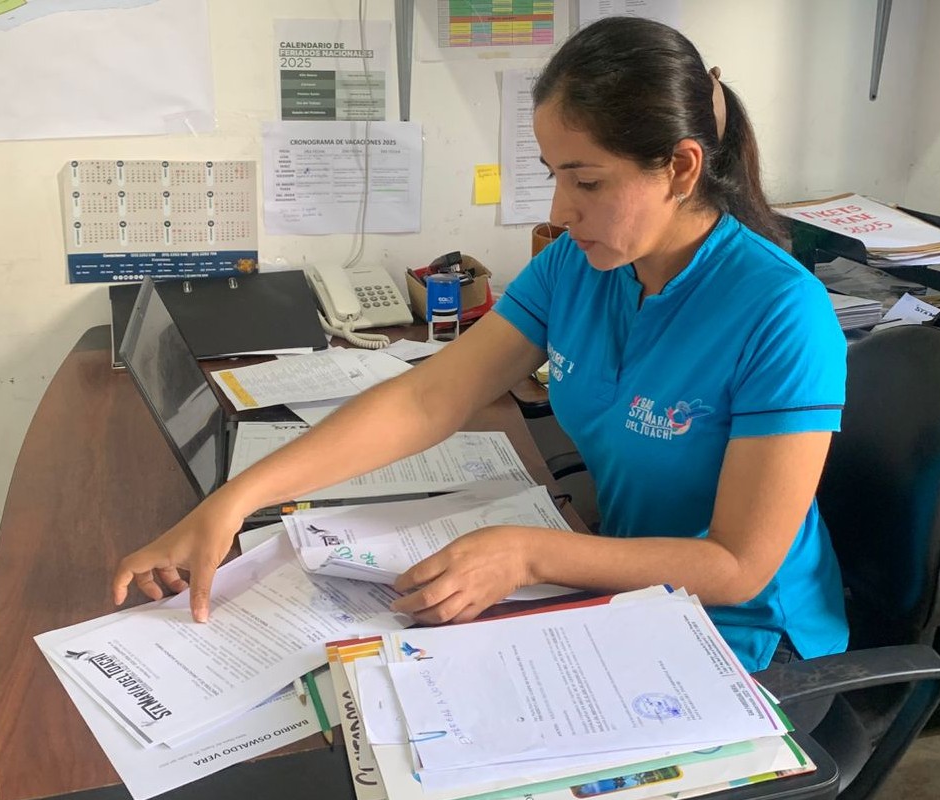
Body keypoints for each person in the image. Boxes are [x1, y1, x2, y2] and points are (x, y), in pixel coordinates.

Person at [111, 17, 848, 673]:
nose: (560, 209)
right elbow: (429, 397)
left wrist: (528, 553)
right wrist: (236, 500)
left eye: (587, 182)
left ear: (681, 168)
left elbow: (738, 567)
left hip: (748, 638)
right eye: (553, 175)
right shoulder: (579, 266)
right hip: (625, 588)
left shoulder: (781, 311)